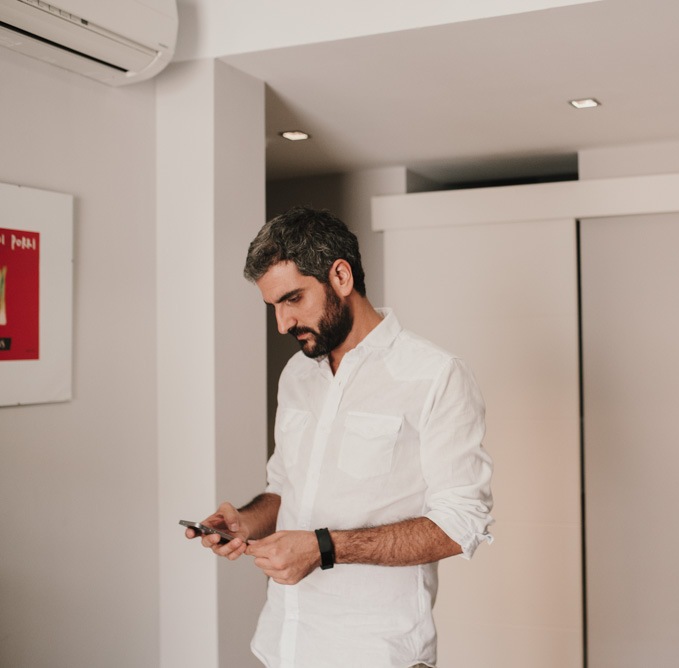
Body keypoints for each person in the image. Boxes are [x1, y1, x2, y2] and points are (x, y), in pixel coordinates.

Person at [186, 206, 494, 667]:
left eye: (293, 299)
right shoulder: (296, 375)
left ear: (342, 276)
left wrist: (324, 547)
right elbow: (285, 489)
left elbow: (461, 524)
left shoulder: (435, 375)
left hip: (376, 654)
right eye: (273, 306)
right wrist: (245, 522)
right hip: (281, 646)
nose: (282, 324)